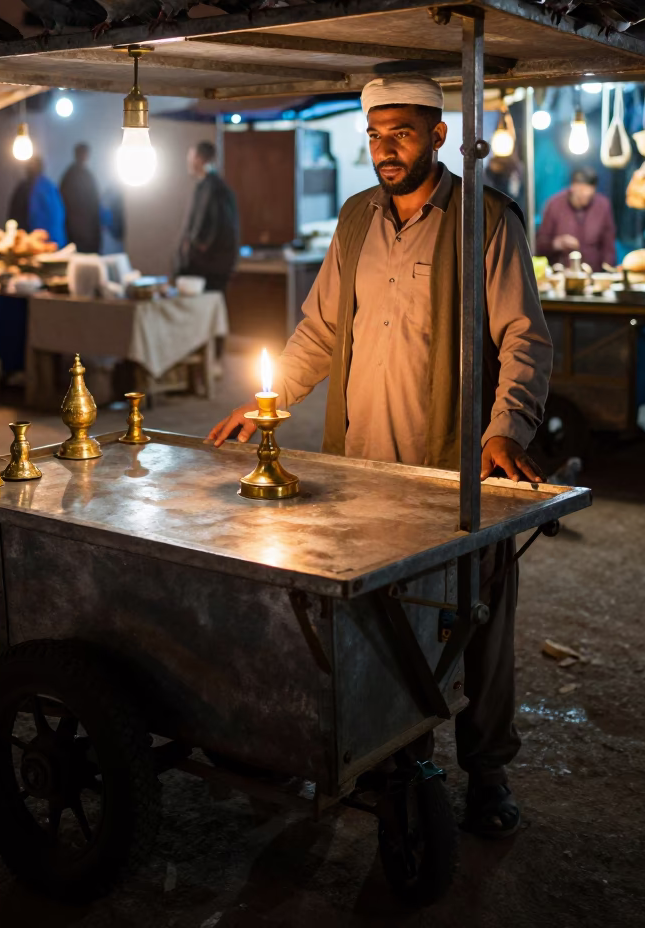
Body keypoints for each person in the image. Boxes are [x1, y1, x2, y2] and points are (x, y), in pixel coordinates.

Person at [207, 75, 553, 838]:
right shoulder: (356, 221)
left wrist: (507, 430)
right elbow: (322, 330)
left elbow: (522, 337)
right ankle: (401, 757)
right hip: (365, 464)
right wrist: (272, 401)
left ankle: (487, 768)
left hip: (455, 466)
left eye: (401, 132)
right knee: (384, 623)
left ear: (438, 135)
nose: (385, 148)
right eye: (374, 134)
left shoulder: (485, 221)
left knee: (477, 621)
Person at [176, 141, 239, 293]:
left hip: (208, 268)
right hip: (212, 265)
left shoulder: (212, 189)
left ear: (199, 159)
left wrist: (195, 249)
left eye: (191, 157)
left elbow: (209, 228)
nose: (189, 162)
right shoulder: (211, 187)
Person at [536, 166, 617, 270]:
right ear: (572, 187)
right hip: (562, 275)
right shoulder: (554, 204)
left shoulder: (603, 206)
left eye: (589, 192)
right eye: (581, 190)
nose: (585, 194)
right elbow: (540, 245)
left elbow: (609, 246)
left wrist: (607, 271)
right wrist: (558, 243)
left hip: (594, 275)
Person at [8, 156, 67, 247]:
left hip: (44, 242)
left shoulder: (44, 188)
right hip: (36, 241)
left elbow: (52, 216)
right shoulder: (27, 188)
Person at [60, 143, 101, 252]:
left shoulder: (88, 175)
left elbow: (95, 203)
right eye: (82, 153)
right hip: (74, 230)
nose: (84, 156)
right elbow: (64, 202)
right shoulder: (70, 176)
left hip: (89, 230)